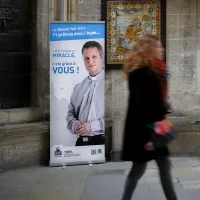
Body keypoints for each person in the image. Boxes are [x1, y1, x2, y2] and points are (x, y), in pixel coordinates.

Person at [121, 35, 178, 200]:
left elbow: (153, 104)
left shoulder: (151, 73)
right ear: (150, 50)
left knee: (157, 167)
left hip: (152, 129)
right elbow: (141, 109)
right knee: (140, 169)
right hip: (148, 132)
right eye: (159, 47)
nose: (162, 50)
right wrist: (149, 138)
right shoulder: (145, 74)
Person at [66, 41, 105, 146]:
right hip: (80, 142)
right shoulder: (78, 87)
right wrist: (75, 125)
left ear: (101, 56)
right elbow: (70, 113)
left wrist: (91, 126)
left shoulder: (110, 84)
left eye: (94, 57)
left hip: (103, 142)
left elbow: (116, 116)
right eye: (86, 58)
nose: (90, 61)